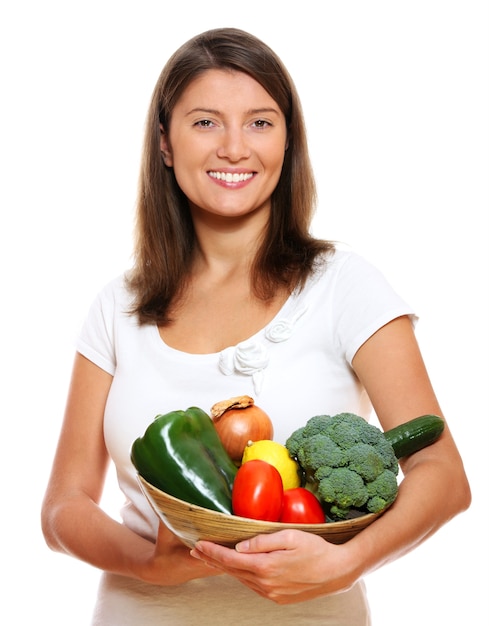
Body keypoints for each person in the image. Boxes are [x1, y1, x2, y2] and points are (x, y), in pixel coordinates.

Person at [41, 27, 471, 626]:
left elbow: (444, 475)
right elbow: (63, 507)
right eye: (206, 122)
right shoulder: (119, 305)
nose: (235, 148)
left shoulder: (345, 287)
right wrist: (149, 564)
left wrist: (349, 563)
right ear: (165, 143)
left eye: (261, 123)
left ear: (288, 140)